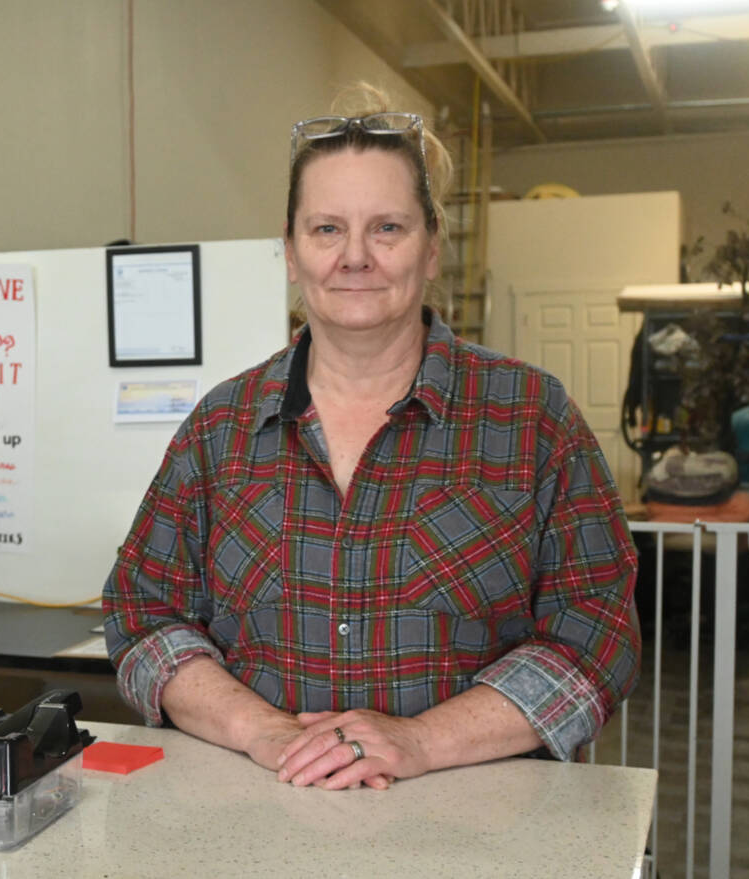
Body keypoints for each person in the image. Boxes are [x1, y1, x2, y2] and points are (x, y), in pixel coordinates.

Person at [101, 84, 641, 791]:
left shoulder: (532, 418)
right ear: (290, 254)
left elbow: (598, 636)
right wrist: (262, 731)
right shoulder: (220, 428)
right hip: (257, 832)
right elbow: (142, 616)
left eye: (387, 227)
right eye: (326, 229)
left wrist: (420, 740)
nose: (355, 256)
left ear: (433, 247)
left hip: (477, 843)